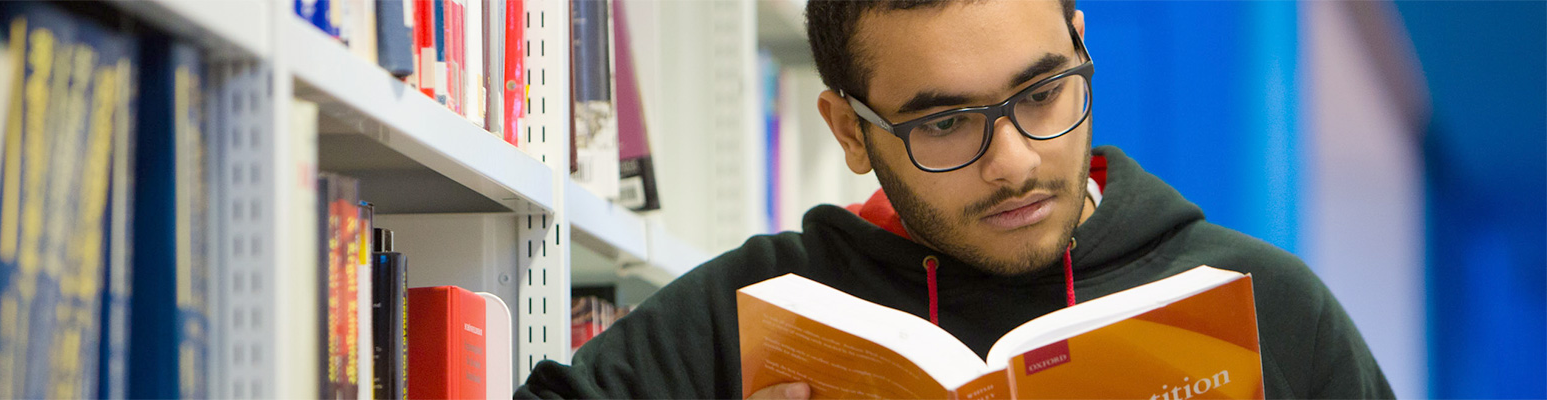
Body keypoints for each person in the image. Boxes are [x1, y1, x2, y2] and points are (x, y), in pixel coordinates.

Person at [517, 0, 1394, 398]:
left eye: (1044, 93)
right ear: (850, 132)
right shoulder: (755, 317)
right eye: (943, 124)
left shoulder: (1267, 303)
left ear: (1080, 46)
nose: (1013, 163)